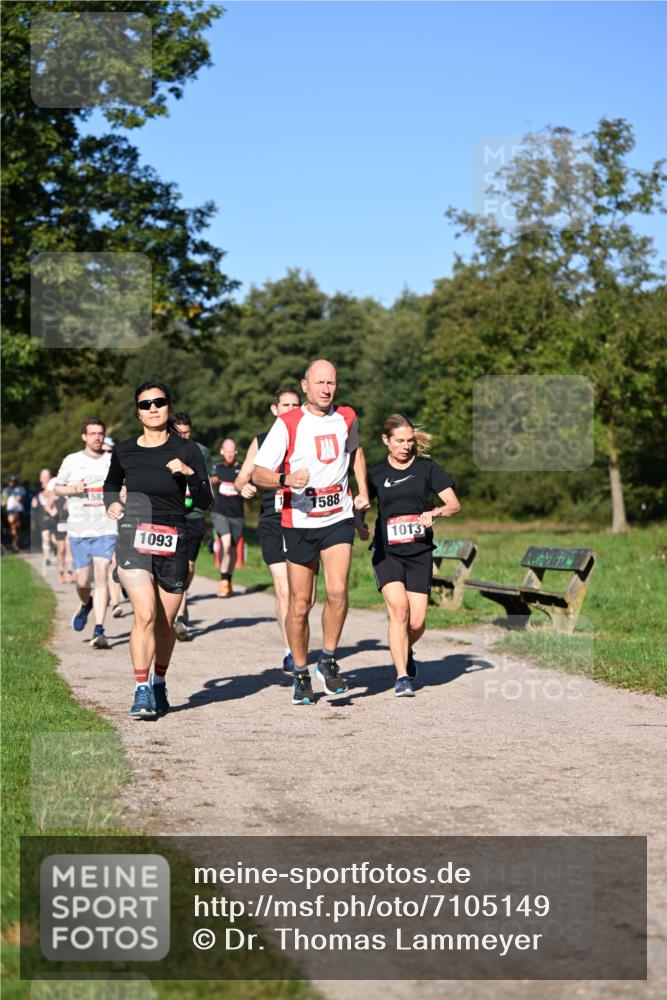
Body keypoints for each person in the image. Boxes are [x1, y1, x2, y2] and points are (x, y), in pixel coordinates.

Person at [253, 359, 370, 705]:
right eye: (319, 383)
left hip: (337, 515)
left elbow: (355, 452)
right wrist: (286, 480)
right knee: (301, 604)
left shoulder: (347, 416)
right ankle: (301, 672)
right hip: (300, 519)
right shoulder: (288, 423)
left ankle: (329, 660)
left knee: (337, 591)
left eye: (331, 383)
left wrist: (362, 491)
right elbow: (259, 473)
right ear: (305, 385)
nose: (326, 389)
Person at [104, 381, 213, 719]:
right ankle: (141, 690)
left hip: (173, 537)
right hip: (134, 536)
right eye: (146, 404)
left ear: (168, 407)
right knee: (145, 614)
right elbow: (111, 485)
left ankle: (159, 682)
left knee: (165, 623)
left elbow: (206, 500)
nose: (153, 408)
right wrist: (111, 504)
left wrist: (188, 472)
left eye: (159, 402)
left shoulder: (188, 449)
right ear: (138, 412)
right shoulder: (124, 451)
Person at [365, 414, 461, 697]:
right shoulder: (376, 472)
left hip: (419, 552)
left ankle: (404, 649)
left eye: (409, 441)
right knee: (399, 610)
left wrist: (435, 512)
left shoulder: (428, 469)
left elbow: (454, 504)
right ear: (386, 440)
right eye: (399, 441)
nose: (405, 446)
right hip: (387, 551)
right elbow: (362, 503)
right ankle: (402, 677)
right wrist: (359, 522)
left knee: (417, 622)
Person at [234, 386, 317, 674]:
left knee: (307, 597)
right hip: (273, 519)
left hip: (306, 517)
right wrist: (242, 486)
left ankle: (299, 645)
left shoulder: (311, 437)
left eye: (296, 404)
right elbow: (243, 477)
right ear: (275, 409)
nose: (292, 409)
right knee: (284, 590)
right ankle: (291, 652)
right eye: (286, 405)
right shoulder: (262, 440)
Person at [54, 420, 117, 648]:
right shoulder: (72, 461)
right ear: (84, 436)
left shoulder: (113, 460)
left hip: (106, 528)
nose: (97, 437)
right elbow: (56, 487)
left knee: (101, 574)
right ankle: (86, 603)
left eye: (101, 434)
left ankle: (99, 629)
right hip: (79, 529)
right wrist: (72, 489)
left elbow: (124, 485)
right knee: (82, 580)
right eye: (93, 434)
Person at [171, 412, 218, 640]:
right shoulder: (165, 449)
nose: (183, 437)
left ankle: (182, 597)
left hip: (196, 515)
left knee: (188, 566)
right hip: (172, 514)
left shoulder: (202, 451)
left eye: (187, 433)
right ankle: (178, 614)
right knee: (175, 564)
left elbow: (211, 478)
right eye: (179, 433)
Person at [212, 438, 253, 597]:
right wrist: (212, 481)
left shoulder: (243, 468)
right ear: (222, 451)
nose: (229, 454)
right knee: (227, 544)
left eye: (232, 451)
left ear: (235, 452)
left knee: (234, 550)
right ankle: (223, 581)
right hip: (220, 513)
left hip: (237, 515)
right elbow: (207, 482)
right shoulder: (216, 467)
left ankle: (228, 580)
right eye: (226, 451)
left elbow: (251, 485)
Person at [31, 468, 57, 571]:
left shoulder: (54, 485)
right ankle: (47, 558)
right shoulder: (38, 488)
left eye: (47, 476)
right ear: (41, 478)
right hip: (42, 516)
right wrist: (35, 502)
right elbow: (35, 502)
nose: (45, 478)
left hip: (54, 516)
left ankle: (57, 551)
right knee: (45, 537)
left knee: (55, 539)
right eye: (44, 477)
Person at [3, 475, 27, 552]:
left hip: (18, 511)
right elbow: (4, 500)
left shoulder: (21, 489)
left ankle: (15, 542)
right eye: (11, 481)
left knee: (17, 527)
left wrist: (18, 500)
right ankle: (14, 544)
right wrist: (4, 502)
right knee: (12, 522)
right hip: (10, 511)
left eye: (14, 481)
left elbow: (22, 498)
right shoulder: (6, 490)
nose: (12, 483)